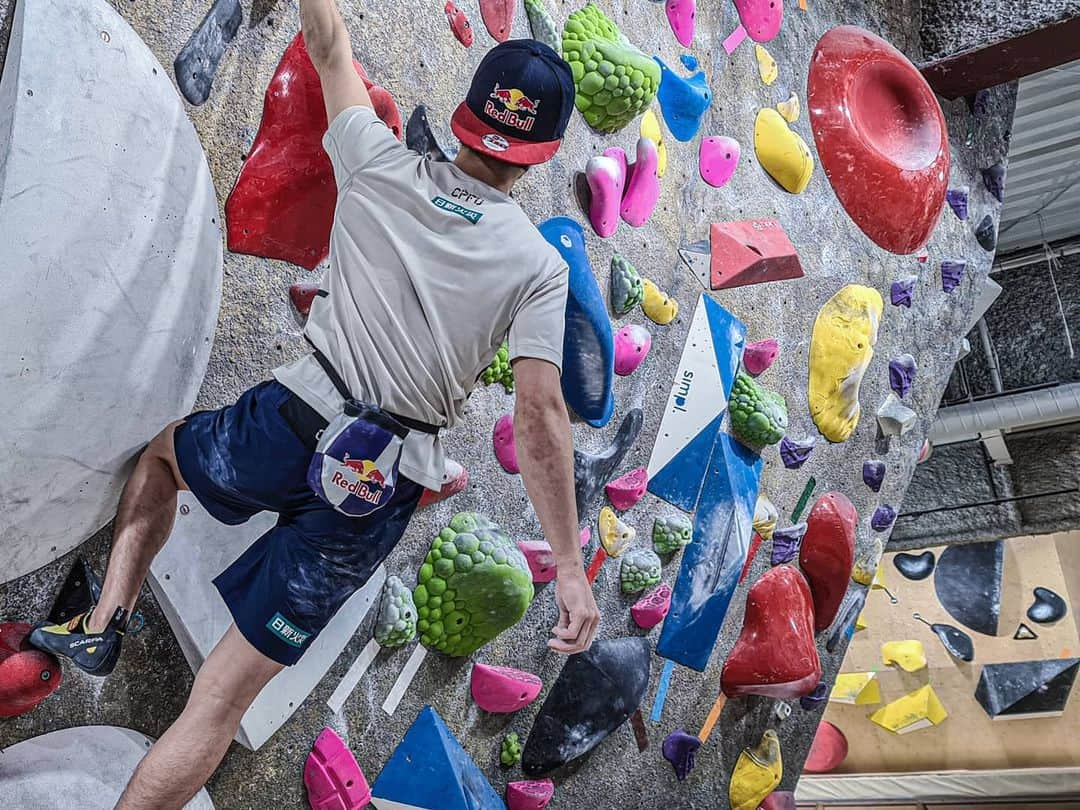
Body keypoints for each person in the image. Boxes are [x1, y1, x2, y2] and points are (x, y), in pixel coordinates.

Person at [29, 0, 600, 803]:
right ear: (538, 156)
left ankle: (103, 623)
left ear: (471, 118)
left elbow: (329, 45)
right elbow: (540, 417)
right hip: (375, 490)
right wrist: (569, 566)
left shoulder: (376, 159)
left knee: (164, 458)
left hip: (294, 419)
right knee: (222, 704)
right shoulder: (539, 267)